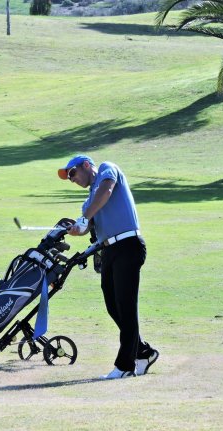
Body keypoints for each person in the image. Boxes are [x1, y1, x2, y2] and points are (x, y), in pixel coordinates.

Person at [58, 154, 159, 379]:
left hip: (128, 245)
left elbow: (106, 192)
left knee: (126, 306)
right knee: (113, 306)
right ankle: (143, 351)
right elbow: (87, 224)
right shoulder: (88, 202)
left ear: (86, 166)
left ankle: (125, 366)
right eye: (69, 178)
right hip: (109, 251)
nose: (71, 179)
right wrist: (78, 229)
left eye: (72, 173)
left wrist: (85, 218)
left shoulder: (107, 169)